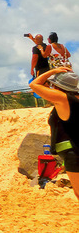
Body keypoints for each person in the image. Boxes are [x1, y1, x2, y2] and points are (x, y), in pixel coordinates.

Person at [29, 68, 79, 200]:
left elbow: (34, 85)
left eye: (52, 85)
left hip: (74, 154)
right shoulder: (73, 99)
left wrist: (53, 71)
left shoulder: (63, 99)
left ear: (58, 87)